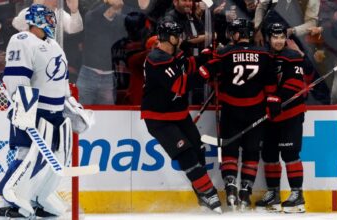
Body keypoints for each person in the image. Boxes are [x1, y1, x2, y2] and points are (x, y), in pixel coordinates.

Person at [0, 4, 91, 218]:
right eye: (49, 18)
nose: (53, 22)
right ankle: (8, 198)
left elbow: (60, 82)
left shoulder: (54, 45)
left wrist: (72, 106)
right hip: (35, 110)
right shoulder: (22, 40)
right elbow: (16, 78)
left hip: (55, 113)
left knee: (57, 157)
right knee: (27, 154)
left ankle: (40, 196)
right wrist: (23, 109)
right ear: (38, 20)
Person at [141, 19, 222, 213]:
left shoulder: (173, 55)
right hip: (159, 119)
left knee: (198, 150)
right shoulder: (157, 59)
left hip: (178, 114)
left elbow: (187, 65)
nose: (181, 38)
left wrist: (205, 57)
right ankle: (209, 193)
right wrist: (206, 70)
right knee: (186, 155)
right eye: (177, 35)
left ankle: (202, 195)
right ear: (168, 38)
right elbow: (181, 85)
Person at [199, 18, 278, 211]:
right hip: (255, 111)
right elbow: (271, 86)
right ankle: (245, 191)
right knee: (251, 152)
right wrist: (272, 103)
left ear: (236, 34)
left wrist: (208, 58)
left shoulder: (225, 52)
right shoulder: (265, 54)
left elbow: (207, 74)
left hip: (231, 110)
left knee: (229, 150)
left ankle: (231, 186)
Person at [255, 22, 306, 213]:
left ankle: (297, 193)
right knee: (269, 154)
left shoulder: (293, 56)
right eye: (275, 37)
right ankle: (273, 193)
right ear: (269, 38)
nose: (278, 41)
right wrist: (269, 101)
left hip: (291, 113)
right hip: (270, 114)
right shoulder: (265, 56)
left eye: (281, 37)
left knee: (290, 153)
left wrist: (277, 98)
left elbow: (294, 83)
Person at [76, 0, 127, 105]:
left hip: (109, 78)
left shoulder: (120, 22)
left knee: (108, 116)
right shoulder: (94, 19)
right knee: (81, 114)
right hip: (88, 74)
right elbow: (90, 16)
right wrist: (108, 3)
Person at [12, 0, 83, 34]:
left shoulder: (59, 13)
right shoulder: (29, 11)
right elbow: (17, 24)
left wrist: (74, 11)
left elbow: (75, 29)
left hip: (53, 57)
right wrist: (37, 6)